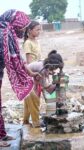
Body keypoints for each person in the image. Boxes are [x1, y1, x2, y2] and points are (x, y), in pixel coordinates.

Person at [0, 9, 38, 147]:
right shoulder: (3, 33)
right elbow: (15, 58)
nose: (23, 30)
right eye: (22, 26)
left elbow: (17, 56)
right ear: (14, 23)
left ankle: (1, 134)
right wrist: (27, 74)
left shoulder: (7, 32)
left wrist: (30, 73)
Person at [23, 50, 64, 127]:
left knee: (28, 104)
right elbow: (48, 89)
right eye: (55, 67)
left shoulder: (44, 64)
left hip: (25, 81)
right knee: (35, 102)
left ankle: (25, 122)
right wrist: (56, 83)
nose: (55, 69)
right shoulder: (42, 70)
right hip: (27, 83)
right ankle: (36, 123)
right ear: (52, 65)